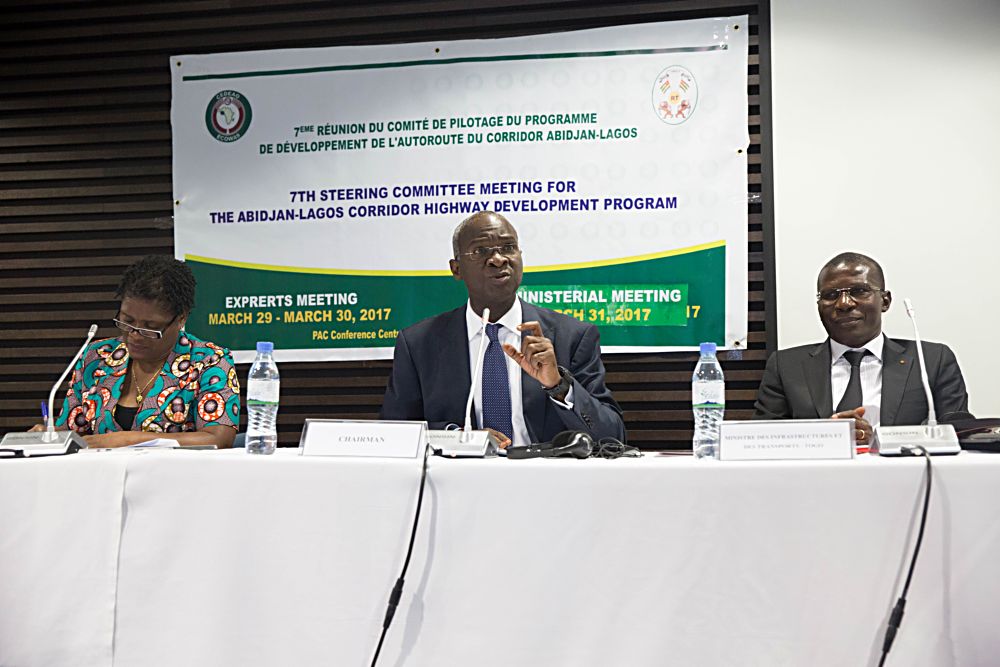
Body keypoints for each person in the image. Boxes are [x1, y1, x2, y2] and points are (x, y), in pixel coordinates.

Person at [380, 211, 625, 447]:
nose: (498, 259)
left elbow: (612, 437)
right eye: (480, 251)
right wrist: (460, 439)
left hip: (548, 480)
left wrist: (558, 386)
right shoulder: (419, 344)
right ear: (457, 269)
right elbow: (395, 431)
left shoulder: (571, 337)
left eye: (508, 248)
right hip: (459, 481)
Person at [752, 252, 969, 446]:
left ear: (885, 301)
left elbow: (958, 433)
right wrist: (825, 437)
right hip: (816, 484)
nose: (844, 303)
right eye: (830, 295)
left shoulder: (932, 360)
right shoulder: (786, 365)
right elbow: (763, 440)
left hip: (907, 484)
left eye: (859, 291)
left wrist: (876, 439)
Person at [32, 255, 239, 448]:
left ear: (181, 318)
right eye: (127, 322)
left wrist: (128, 439)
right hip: (100, 481)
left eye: (149, 327)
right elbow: (73, 434)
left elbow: (218, 438)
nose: (135, 335)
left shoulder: (209, 361)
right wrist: (50, 436)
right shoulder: (96, 357)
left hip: (176, 481)